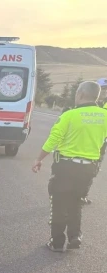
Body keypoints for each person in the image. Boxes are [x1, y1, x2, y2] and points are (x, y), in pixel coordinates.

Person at [32, 81, 107, 252]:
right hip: (89, 169)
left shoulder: (70, 115)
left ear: (80, 94)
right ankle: (75, 236)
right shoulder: (105, 115)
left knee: (58, 203)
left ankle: (57, 242)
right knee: (76, 202)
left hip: (66, 167)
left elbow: (53, 139)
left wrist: (38, 159)